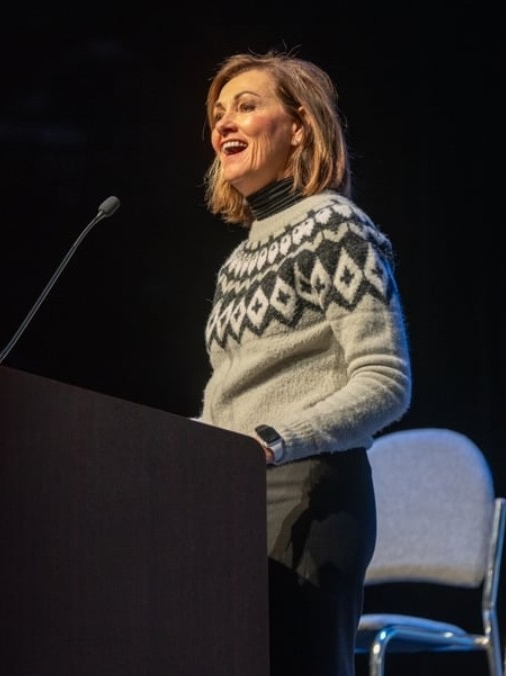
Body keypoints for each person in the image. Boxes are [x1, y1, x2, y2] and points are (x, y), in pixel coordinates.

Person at [195, 50, 413, 676]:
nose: (224, 123)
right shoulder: (236, 264)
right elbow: (227, 398)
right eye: (218, 113)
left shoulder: (333, 226)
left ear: (298, 127)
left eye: (246, 106)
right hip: (231, 495)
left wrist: (274, 440)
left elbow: (386, 380)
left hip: (308, 490)